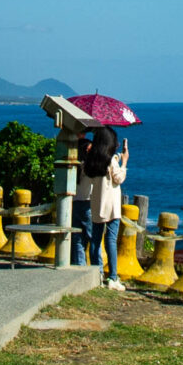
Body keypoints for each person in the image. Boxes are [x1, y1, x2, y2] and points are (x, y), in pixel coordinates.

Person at [72, 122, 126, 289]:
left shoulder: (92, 162)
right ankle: (113, 277)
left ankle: (97, 273)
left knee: (95, 240)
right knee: (110, 240)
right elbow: (119, 178)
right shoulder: (111, 161)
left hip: (96, 203)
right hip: (112, 207)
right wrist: (124, 161)